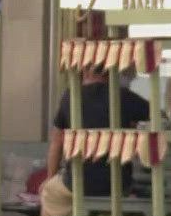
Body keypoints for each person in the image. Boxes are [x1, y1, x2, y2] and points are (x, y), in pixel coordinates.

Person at [45, 64, 151, 206]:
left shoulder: (70, 97)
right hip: (118, 185)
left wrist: (50, 177)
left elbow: (57, 141)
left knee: (49, 192)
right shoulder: (124, 96)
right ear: (110, 73)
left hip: (78, 183)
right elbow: (158, 117)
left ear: (84, 71)